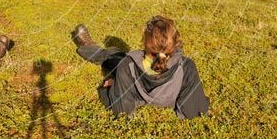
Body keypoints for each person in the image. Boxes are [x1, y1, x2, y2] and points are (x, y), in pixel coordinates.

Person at [71, 16, 209, 119]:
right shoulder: (187, 66)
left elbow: (122, 109)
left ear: (145, 42)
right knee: (118, 56)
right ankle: (93, 47)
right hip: (136, 70)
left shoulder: (127, 65)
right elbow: (195, 109)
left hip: (128, 71)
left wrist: (113, 84)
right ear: (173, 43)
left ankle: (86, 46)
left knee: (112, 56)